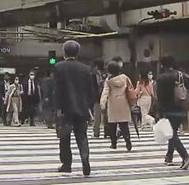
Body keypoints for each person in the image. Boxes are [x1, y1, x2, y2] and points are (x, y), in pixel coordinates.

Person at [54, 40, 95, 177]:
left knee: (64, 137)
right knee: (82, 136)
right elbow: (90, 91)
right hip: (82, 108)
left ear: (64, 52)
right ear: (77, 52)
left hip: (65, 108)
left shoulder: (58, 67)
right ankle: (85, 160)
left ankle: (67, 164)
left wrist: (57, 107)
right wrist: (89, 107)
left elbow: (57, 90)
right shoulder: (86, 69)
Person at [157, 55, 189, 170]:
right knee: (173, 132)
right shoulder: (181, 75)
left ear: (162, 65)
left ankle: (185, 156)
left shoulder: (162, 78)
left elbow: (160, 97)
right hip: (181, 108)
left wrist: (159, 112)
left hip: (168, 110)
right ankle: (169, 156)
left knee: (171, 134)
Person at [100, 60, 133, 152]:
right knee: (124, 125)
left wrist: (102, 103)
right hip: (124, 102)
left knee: (112, 125)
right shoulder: (125, 78)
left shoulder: (109, 80)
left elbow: (105, 92)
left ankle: (114, 143)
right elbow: (130, 88)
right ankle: (128, 142)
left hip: (113, 103)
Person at [91, 61, 105, 138]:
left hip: (97, 96)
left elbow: (96, 84)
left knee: (97, 115)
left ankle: (96, 132)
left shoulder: (94, 73)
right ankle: (108, 131)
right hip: (106, 95)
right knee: (106, 115)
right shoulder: (105, 73)